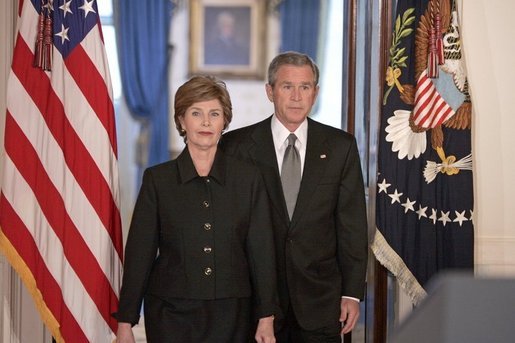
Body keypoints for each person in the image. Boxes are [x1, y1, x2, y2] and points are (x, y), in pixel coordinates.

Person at [114, 75, 278, 343]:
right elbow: (140, 253)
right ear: (181, 120)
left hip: (234, 313)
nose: (205, 122)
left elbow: (262, 251)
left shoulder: (248, 178)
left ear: (224, 121)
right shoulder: (158, 180)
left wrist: (267, 317)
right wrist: (125, 321)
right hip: (171, 313)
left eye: (214, 113)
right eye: (196, 113)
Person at [220, 51, 368, 342]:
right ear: (270, 91)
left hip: (321, 301)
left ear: (316, 93)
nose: (297, 96)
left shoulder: (341, 146)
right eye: (287, 86)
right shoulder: (236, 146)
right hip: (256, 303)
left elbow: (352, 225)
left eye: (305, 87)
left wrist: (352, 293)